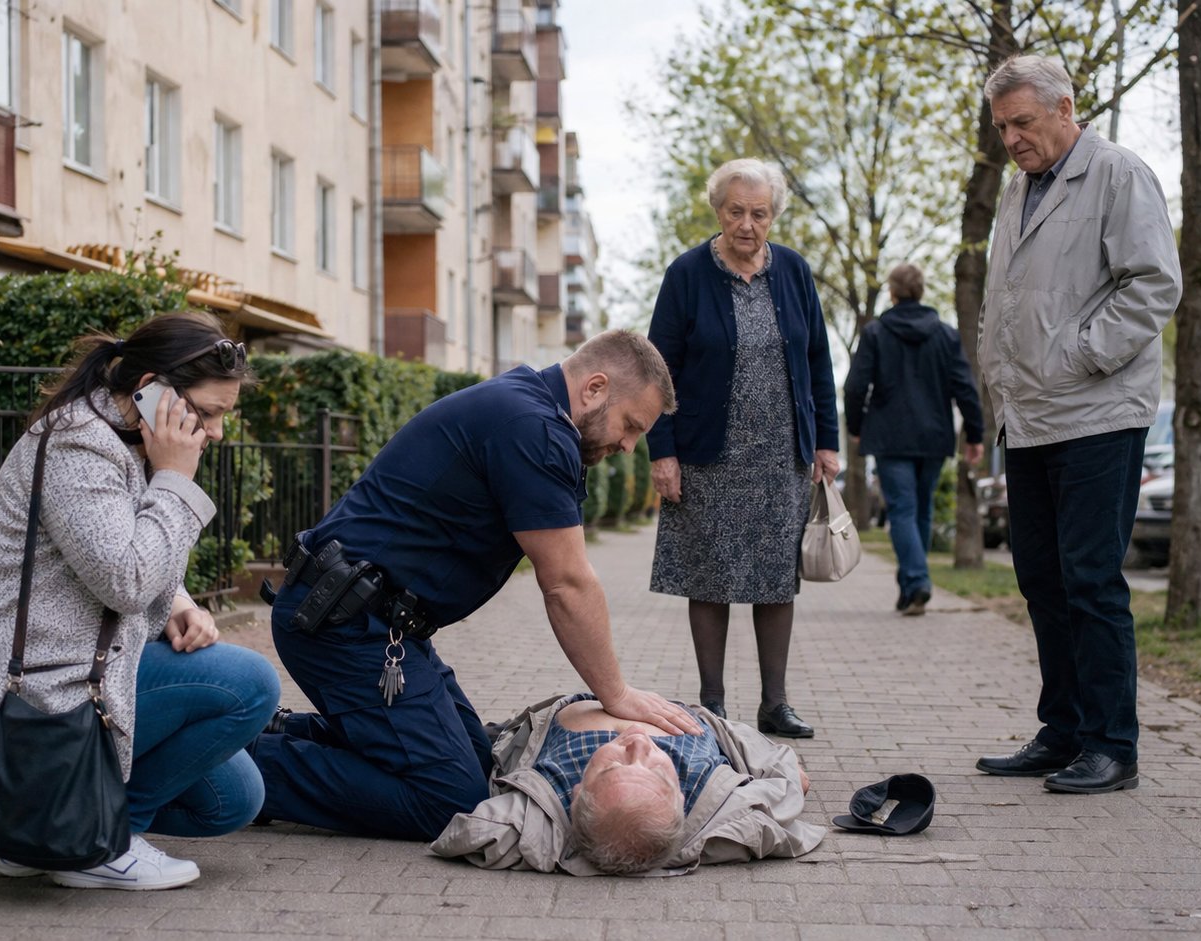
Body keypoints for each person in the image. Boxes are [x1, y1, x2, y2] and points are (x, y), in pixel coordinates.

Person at [247, 330, 702, 842]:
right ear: (595, 388)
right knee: (451, 798)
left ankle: (275, 732)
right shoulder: (534, 427)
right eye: (631, 425)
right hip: (345, 628)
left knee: (480, 763)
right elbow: (568, 584)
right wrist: (615, 693)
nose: (628, 446)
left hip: (377, 625)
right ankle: (236, 765)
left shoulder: (528, 410)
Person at [0, 311, 280, 889]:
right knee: (250, 684)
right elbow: (126, 580)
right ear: (150, 392)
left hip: (79, 663)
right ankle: (96, 844)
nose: (214, 433)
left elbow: (123, 553)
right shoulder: (78, 444)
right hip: (28, 681)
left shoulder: (124, 439)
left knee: (233, 798)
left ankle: (34, 820)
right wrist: (175, 482)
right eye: (208, 413)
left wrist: (182, 601)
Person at [971, 55, 1182, 794]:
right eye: (1002, 128)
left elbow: (1155, 283)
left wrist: (1080, 355)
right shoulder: (1018, 191)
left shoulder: (1119, 175)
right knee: (1042, 579)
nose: (1013, 140)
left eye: (1024, 123)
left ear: (1067, 107)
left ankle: (1111, 744)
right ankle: (1061, 729)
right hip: (1028, 418)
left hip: (1094, 411)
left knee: (1090, 579)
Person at [646, 158, 839, 738]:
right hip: (708, 452)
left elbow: (818, 362)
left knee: (777, 576)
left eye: (759, 213)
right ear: (718, 211)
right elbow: (657, 369)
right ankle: (712, 703)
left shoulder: (795, 272)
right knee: (710, 575)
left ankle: (774, 703)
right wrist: (663, 450)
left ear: (773, 215)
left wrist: (826, 442)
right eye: (737, 211)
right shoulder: (687, 274)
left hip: (783, 454)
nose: (748, 224)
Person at [430, 693, 821, 875]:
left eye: (612, 768)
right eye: (655, 770)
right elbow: (790, 785)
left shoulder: (550, 805)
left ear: (579, 794)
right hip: (689, 718)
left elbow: (472, 832)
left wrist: (572, 839)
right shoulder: (712, 795)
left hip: (570, 706)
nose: (637, 742)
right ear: (681, 798)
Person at [843, 263, 985, 616]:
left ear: (892, 293)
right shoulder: (946, 335)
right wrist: (975, 433)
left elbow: (855, 386)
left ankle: (917, 581)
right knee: (920, 510)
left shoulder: (876, 333)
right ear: (921, 292)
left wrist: (856, 426)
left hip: (890, 437)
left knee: (903, 510)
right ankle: (911, 590)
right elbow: (965, 389)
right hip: (934, 435)